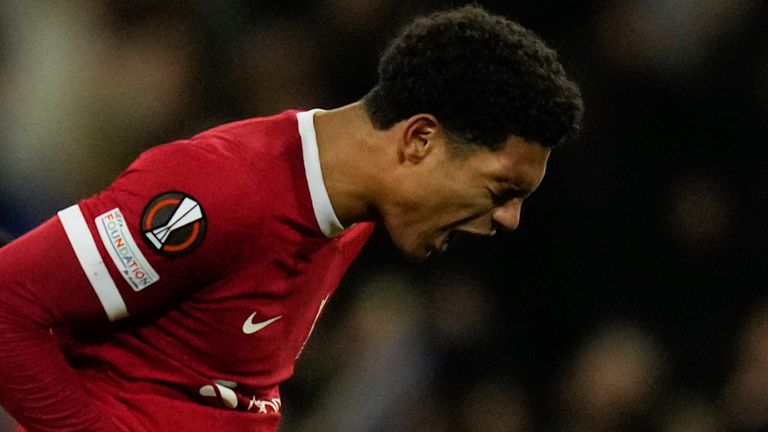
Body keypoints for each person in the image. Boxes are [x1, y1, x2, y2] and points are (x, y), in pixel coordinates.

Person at [0, 5, 582, 432]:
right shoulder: (222, 191)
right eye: (503, 189)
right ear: (420, 140)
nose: (510, 219)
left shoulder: (348, 214)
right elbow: (8, 304)